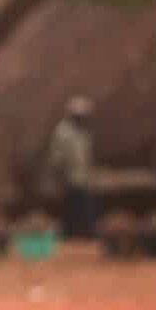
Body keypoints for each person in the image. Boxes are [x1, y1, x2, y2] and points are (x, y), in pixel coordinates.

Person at [42, 95, 97, 238]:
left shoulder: (83, 133)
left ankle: (80, 235)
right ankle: (70, 236)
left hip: (82, 178)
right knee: (73, 209)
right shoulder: (63, 132)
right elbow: (57, 157)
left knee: (81, 208)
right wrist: (59, 177)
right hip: (69, 179)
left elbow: (85, 158)